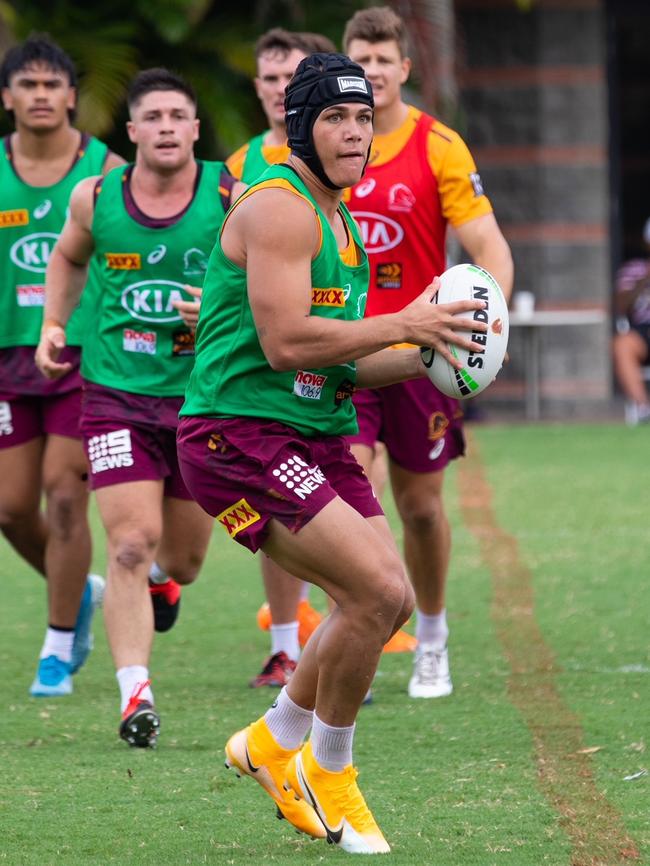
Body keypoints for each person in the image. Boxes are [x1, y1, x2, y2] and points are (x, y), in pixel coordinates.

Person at [176, 53, 488, 853]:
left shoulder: (340, 217)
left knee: (384, 601)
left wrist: (438, 353)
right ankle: (329, 766)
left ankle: (273, 742)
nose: (355, 132)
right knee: (380, 587)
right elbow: (286, 344)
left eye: (361, 117)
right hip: (237, 434)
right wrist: (405, 323)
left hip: (311, 429)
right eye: (334, 119)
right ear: (299, 127)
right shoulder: (281, 208)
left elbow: (342, 363)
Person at [35, 68, 238, 747]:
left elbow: (262, 280)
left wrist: (216, 308)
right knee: (127, 542)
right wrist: (52, 326)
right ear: (131, 132)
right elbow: (65, 259)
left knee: (183, 559)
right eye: (152, 117)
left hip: (200, 398)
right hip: (116, 393)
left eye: (179, 116)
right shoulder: (97, 198)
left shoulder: (229, 195)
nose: (167, 128)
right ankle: (135, 696)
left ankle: (164, 584)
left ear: (196, 128)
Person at [342, 7, 514, 699]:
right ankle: (359, 630)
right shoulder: (326, 145)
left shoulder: (439, 146)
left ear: (405, 68)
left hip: (424, 354)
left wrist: (483, 324)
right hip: (349, 352)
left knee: (419, 507)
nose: (374, 71)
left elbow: (490, 249)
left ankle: (433, 636)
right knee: (350, 493)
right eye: (361, 59)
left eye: (385, 59)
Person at [0, 34, 124, 697]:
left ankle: (54, 651)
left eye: (53, 84)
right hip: (8, 361)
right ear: (8, 96)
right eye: (29, 83)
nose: (41, 95)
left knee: (66, 492)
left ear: (72, 96)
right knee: (11, 508)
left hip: (84, 358)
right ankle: (77, 593)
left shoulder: (107, 171)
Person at [613, 216, 650, 424]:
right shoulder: (632, 270)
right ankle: (643, 409)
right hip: (643, 331)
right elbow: (620, 307)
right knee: (622, 344)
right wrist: (644, 280)